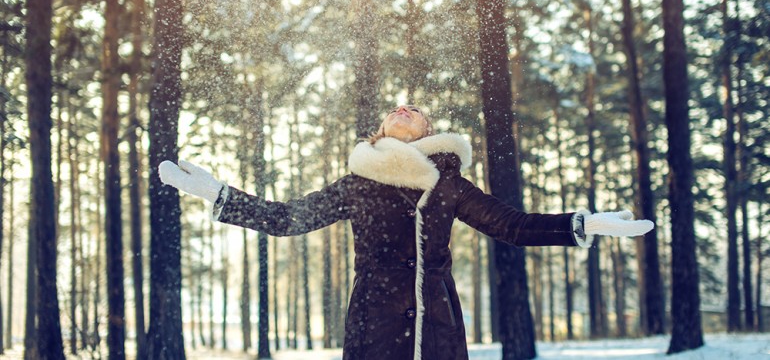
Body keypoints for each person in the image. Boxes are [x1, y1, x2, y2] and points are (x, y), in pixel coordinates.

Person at [159, 105, 653, 360]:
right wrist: (220, 194)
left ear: (427, 131)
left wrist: (581, 225)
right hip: (373, 318)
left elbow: (514, 227)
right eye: (395, 109)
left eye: (414, 110)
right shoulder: (357, 183)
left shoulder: (449, 184)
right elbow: (289, 219)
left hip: (436, 321)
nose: (402, 108)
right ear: (378, 132)